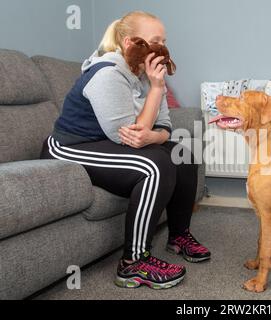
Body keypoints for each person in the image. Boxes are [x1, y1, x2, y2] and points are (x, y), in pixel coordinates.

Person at [39, 11, 210, 290]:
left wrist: (153, 134)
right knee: (155, 165)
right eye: (155, 40)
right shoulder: (107, 73)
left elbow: (164, 125)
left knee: (183, 154)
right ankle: (133, 263)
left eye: (164, 40)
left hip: (112, 140)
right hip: (71, 147)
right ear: (131, 42)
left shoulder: (147, 72)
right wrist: (156, 89)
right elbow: (129, 137)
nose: (162, 48)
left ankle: (179, 236)